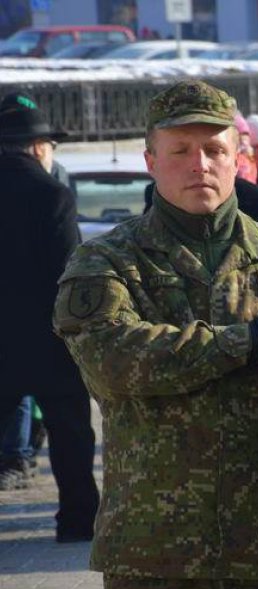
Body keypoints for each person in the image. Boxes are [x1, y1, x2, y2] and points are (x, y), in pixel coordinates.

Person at [52, 80, 258, 589]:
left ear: (239, 158)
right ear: (151, 161)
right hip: (156, 559)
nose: (199, 165)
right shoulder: (106, 262)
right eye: (180, 150)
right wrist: (245, 341)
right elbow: (114, 361)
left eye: (214, 149)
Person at [0, 92, 100, 543]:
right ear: (40, 147)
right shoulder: (52, 194)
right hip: (48, 340)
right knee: (70, 433)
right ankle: (77, 520)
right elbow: (68, 272)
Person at [234, 112, 258, 183]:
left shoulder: (251, 158)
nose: (244, 138)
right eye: (240, 134)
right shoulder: (233, 158)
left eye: (246, 133)